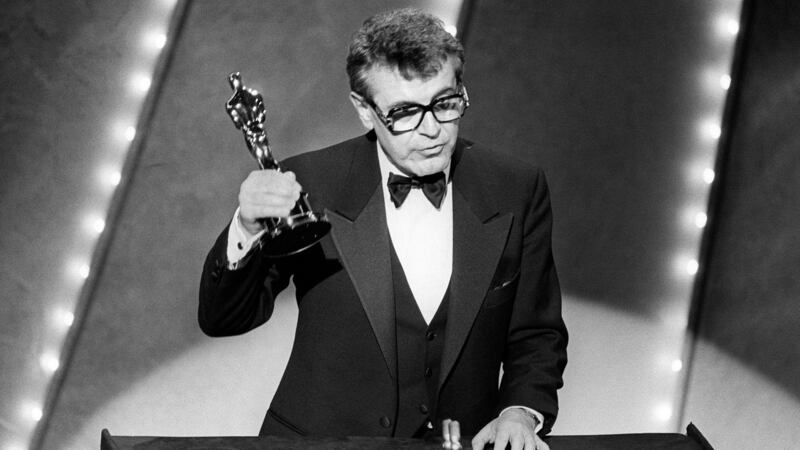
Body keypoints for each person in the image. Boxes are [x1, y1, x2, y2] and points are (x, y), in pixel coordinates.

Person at [199, 8, 567, 450]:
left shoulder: (515, 188)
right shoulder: (311, 183)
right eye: (406, 112)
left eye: (446, 104)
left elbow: (536, 333)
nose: (431, 129)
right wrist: (246, 227)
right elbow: (225, 318)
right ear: (364, 110)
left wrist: (520, 413)